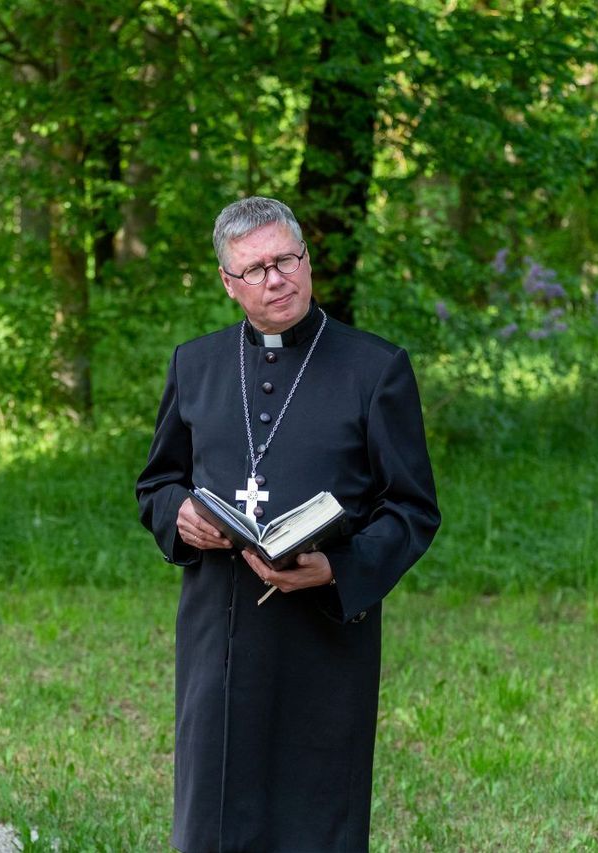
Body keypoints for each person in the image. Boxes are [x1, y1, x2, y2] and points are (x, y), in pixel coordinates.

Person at [136, 196, 440, 852]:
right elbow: (157, 483)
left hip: (326, 634)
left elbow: (412, 509)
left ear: (307, 259)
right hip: (221, 628)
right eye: (256, 269)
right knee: (214, 809)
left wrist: (338, 567)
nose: (277, 279)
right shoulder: (196, 364)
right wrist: (180, 514)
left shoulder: (375, 368)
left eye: (287, 260)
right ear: (228, 283)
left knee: (318, 808)